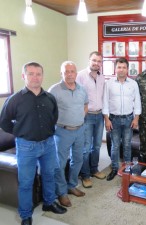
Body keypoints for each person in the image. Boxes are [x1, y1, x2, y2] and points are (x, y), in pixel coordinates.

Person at [0, 62, 67, 225]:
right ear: (24, 76)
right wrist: (21, 132)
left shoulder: (49, 97)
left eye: (38, 74)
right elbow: (4, 122)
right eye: (31, 74)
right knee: (26, 182)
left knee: (49, 175)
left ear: (42, 76)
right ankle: (25, 215)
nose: (35, 77)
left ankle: (49, 203)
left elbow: (54, 117)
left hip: (49, 144)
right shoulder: (15, 99)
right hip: (26, 147)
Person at [49, 61, 88, 207]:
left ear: (76, 74)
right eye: (66, 71)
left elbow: (85, 105)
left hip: (80, 130)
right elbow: (49, 112)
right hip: (62, 132)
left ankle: (72, 185)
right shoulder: (54, 90)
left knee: (78, 159)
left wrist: (81, 118)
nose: (70, 74)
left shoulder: (82, 89)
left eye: (72, 71)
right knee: (60, 163)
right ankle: (62, 192)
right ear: (61, 73)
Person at [103, 57, 141, 181]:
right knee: (115, 146)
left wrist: (136, 119)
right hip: (114, 119)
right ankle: (114, 168)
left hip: (129, 119)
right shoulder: (108, 83)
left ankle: (127, 168)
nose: (121, 69)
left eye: (124, 67)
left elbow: (137, 102)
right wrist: (106, 119)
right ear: (116, 68)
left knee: (127, 145)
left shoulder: (133, 83)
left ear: (127, 69)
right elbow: (105, 103)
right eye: (119, 67)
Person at [76, 51, 106, 189]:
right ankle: (85, 175)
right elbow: (76, 96)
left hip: (99, 115)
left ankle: (94, 169)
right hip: (87, 116)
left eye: (99, 61)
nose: (96, 63)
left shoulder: (102, 77)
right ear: (89, 60)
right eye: (94, 60)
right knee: (86, 147)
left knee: (97, 146)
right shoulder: (81, 76)